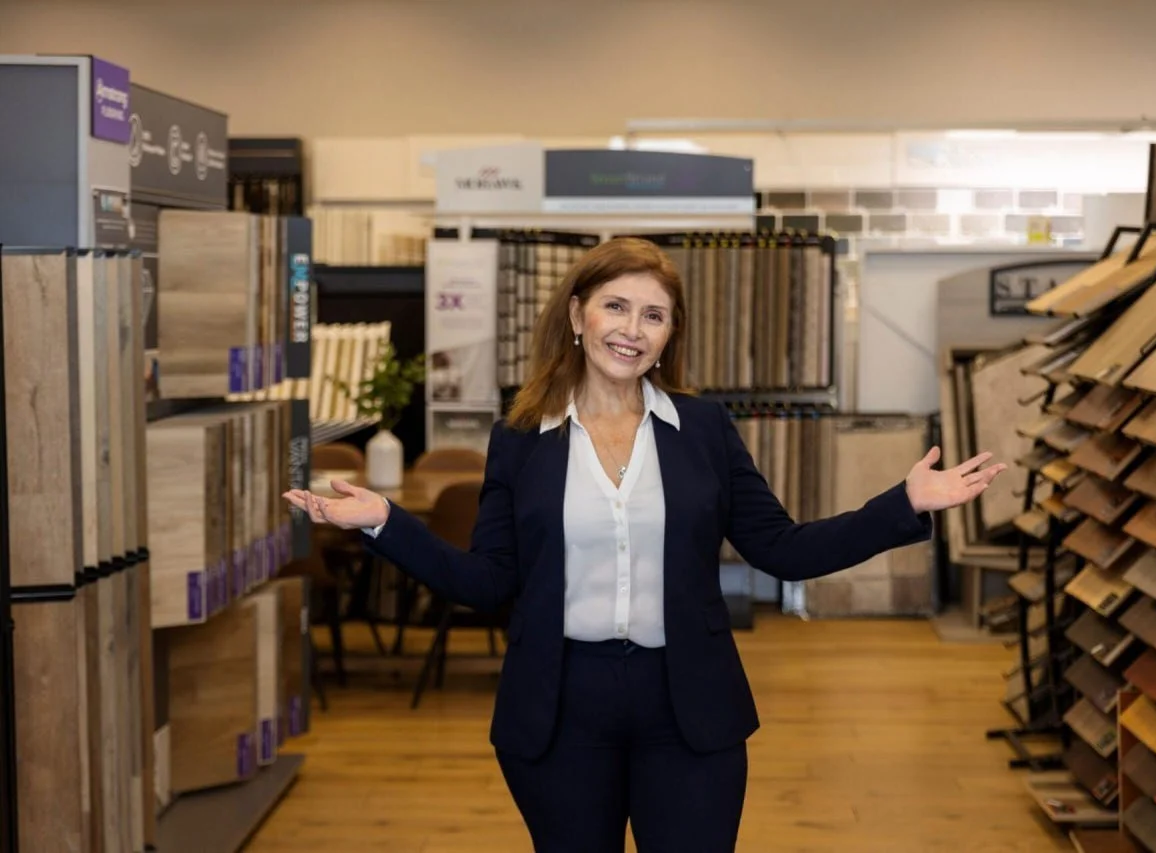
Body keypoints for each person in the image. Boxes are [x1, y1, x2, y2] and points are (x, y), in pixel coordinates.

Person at [283, 236, 1006, 853]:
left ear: (669, 334)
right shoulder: (520, 439)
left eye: (654, 315)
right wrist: (384, 520)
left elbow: (782, 549)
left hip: (687, 706)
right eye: (617, 306)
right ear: (577, 314)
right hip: (560, 709)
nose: (633, 328)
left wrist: (902, 504)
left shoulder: (704, 430)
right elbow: (487, 582)